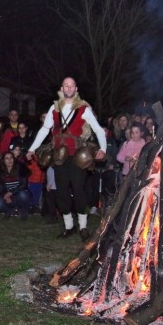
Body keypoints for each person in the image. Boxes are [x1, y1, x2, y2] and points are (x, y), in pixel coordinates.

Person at [27, 77, 106, 241]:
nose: (69, 88)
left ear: (76, 89)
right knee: (61, 192)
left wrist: (103, 149)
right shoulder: (54, 109)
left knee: (78, 191)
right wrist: (32, 149)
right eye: (66, 86)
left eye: (72, 86)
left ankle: (83, 227)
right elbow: (44, 129)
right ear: (62, 89)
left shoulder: (83, 109)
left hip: (77, 157)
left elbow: (99, 130)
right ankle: (69, 226)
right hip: (59, 157)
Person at [0, 151, 31, 219]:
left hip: (18, 193)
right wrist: (5, 195)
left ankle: (23, 209)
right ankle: (10, 211)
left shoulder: (20, 167)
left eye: (11, 158)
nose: (9, 160)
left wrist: (11, 193)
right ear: (3, 160)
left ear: (14, 158)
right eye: (7, 158)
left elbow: (24, 184)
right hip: (6, 195)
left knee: (24, 195)